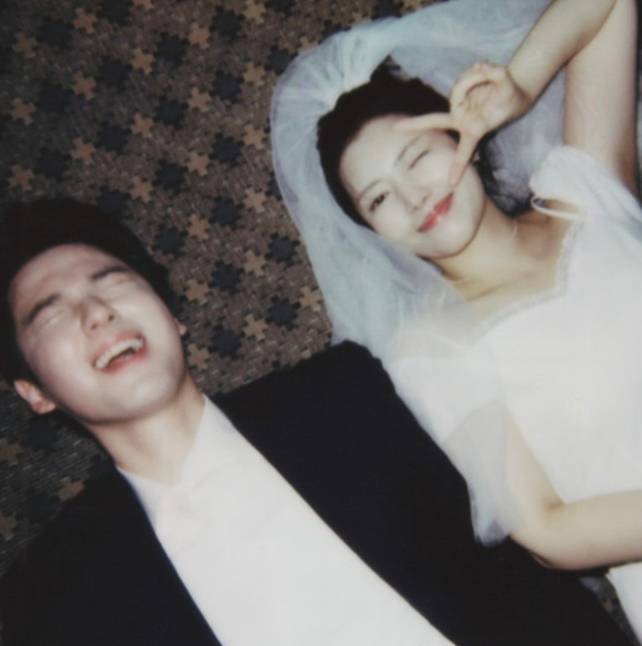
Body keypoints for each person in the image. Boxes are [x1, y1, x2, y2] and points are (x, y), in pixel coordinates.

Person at [0, 199, 632, 645]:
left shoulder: (349, 397)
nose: (97, 313)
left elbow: (524, 585)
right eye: (52, 314)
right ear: (33, 391)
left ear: (173, 316)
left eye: (113, 282)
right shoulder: (54, 590)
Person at [271, 0, 642, 640]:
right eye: (379, 199)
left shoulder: (583, 188)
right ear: (372, 234)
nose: (414, 197)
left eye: (417, 156)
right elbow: (546, 531)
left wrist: (518, 83)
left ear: (461, 135)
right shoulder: (433, 348)